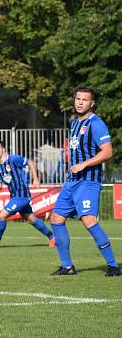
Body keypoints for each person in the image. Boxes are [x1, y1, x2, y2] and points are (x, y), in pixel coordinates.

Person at [50, 88, 119, 276]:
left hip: (88, 181)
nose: (80, 102)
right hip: (72, 181)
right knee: (56, 218)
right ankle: (67, 266)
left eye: (85, 100)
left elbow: (107, 152)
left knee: (88, 220)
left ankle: (113, 266)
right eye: (78, 99)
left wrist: (84, 164)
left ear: (92, 103)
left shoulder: (96, 124)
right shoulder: (73, 124)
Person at [0, 140, 54, 248]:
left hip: (22, 194)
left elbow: (30, 162)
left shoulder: (13, 159)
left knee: (2, 215)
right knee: (30, 218)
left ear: (3, 149)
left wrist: (35, 179)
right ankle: (52, 237)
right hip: (14, 195)